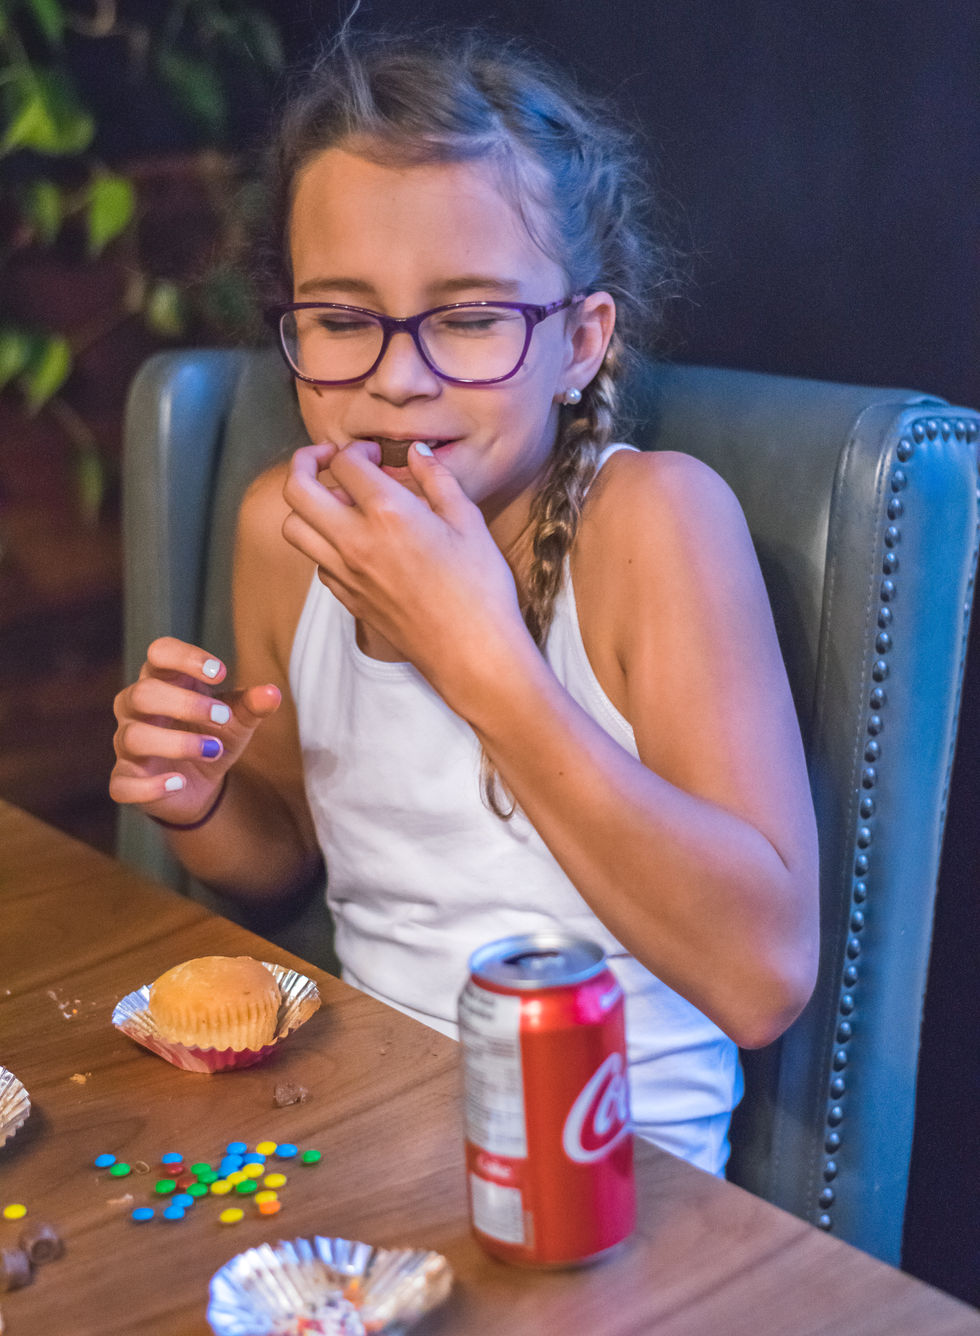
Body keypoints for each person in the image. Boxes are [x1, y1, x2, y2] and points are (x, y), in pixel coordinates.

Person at [110, 33, 819, 1175]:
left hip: (614, 1183)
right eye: (342, 320)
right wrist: (200, 799)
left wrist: (474, 655)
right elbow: (286, 855)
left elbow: (761, 978)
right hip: (357, 1129)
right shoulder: (284, 528)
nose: (399, 378)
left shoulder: (654, 525)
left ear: (579, 342)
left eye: (471, 318)